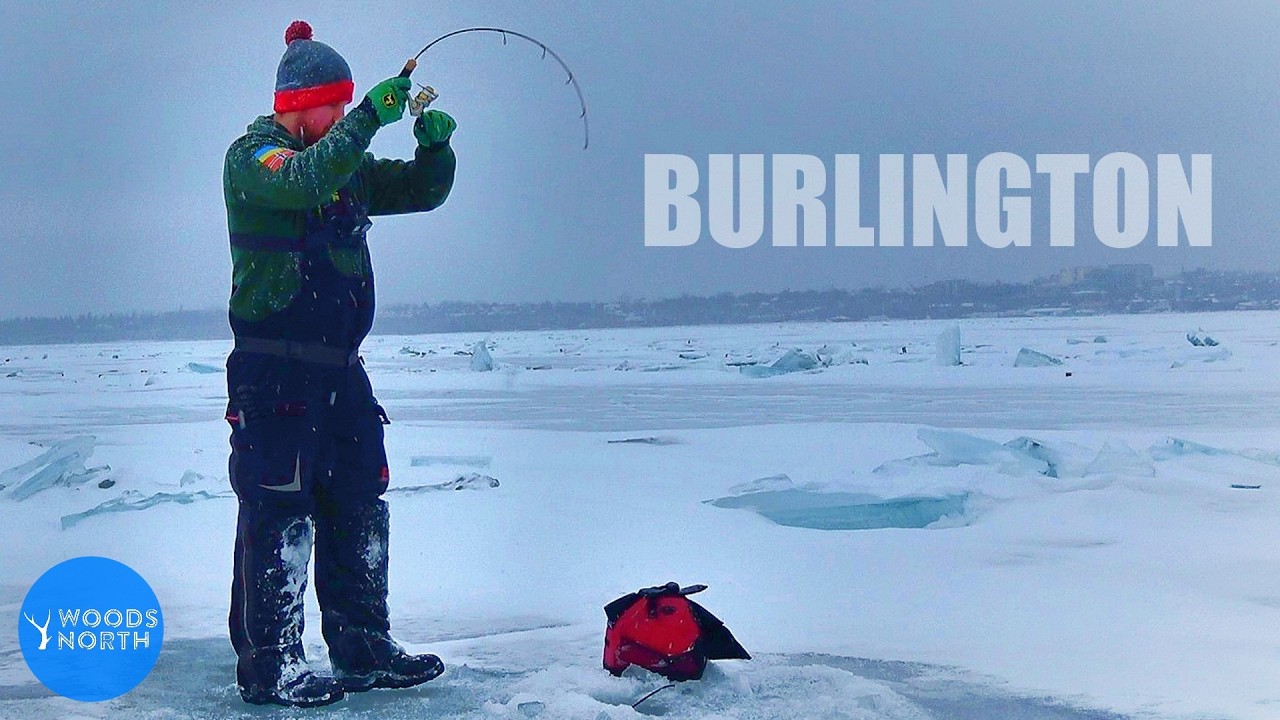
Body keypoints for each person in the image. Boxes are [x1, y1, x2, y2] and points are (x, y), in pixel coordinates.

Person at [221, 20, 457, 708]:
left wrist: (434, 147)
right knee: (278, 513)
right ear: (299, 104)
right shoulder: (254, 159)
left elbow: (422, 190)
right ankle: (273, 665)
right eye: (336, 105)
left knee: (359, 501)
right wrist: (366, 121)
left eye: (347, 106)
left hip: (340, 372)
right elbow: (301, 182)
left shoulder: (342, 165)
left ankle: (363, 650)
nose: (342, 118)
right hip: (274, 373)